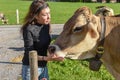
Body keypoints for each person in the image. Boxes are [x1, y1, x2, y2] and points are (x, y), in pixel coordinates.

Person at [20, 0, 64, 80]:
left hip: (43, 67)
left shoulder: (46, 25)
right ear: (36, 16)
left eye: (49, 13)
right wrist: (47, 58)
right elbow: (30, 54)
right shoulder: (28, 29)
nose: (49, 17)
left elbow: (45, 45)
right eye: (44, 14)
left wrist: (54, 52)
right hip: (31, 68)